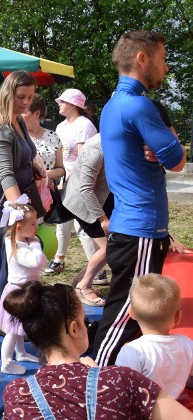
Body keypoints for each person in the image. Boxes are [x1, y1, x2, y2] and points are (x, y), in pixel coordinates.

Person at [94, 30, 187, 367]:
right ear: (142, 58)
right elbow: (176, 160)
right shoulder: (138, 105)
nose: (166, 67)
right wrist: (174, 145)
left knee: (127, 312)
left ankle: (116, 377)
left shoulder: (115, 104)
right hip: (140, 230)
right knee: (126, 314)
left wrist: (168, 149)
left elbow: (169, 157)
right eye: (162, 59)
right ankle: (93, 382)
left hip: (136, 228)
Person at [1, 281, 193, 420]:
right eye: (85, 321)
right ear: (74, 329)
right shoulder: (122, 380)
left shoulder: (16, 393)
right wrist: (102, 375)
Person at [0, 71, 44, 325]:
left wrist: (31, 164)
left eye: (30, 97)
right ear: (7, 93)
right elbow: (4, 172)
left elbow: (22, 152)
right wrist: (22, 213)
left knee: (6, 254)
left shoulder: (17, 120)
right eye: (21, 97)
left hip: (13, 197)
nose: (26, 103)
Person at [42, 88, 99, 279]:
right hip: (63, 181)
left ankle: (96, 268)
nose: (59, 104)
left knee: (82, 226)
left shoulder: (85, 125)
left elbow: (85, 159)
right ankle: (59, 259)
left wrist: (67, 181)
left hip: (79, 182)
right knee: (62, 223)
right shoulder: (61, 127)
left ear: (74, 105)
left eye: (63, 101)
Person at [116, 274, 193, 399]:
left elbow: (121, 389)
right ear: (178, 317)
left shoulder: (133, 351)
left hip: (143, 414)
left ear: (131, 313)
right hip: (175, 409)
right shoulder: (187, 344)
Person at [0, 197, 46, 374]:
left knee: (18, 328)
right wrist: (36, 244)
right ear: (19, 227)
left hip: (26, 290)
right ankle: (6, 363)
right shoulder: (18, 246)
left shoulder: (20, 241)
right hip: (19, 293)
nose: (36, 227)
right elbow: (37, 261)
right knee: (12, 330)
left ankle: (21, 352)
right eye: (33, 224)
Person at [61, 134, 111, 306]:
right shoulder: (96, 149)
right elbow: (85, 189)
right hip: (83, 203)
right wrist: (103, 219)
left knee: (109, 246)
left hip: (100, 199)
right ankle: (84, 286)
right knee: (108, 247)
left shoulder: (114, 141)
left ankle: (78, 282)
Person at [21, 94, 65, 185]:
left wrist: (47, 175)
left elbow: (61, 169)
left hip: (48, 195)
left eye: (24, 112)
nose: (19, 115)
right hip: (26, 193)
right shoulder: (17, 136)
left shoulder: (53, 136)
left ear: (36, 114)